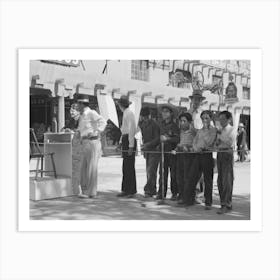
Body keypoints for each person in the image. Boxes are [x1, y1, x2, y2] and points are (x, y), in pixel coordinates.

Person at [184, 110, 217, 210]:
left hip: (206, 155)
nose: (204, 120)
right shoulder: (200, 130)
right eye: (203, 118)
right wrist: (195, 148)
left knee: (208, 180)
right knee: (192, 177)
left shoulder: (213, 130)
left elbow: (209, 141)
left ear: (211, 119)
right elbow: (195, 141)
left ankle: (208, 202)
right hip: (197, 154)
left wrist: (201, 145)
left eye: (207, 118)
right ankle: (189, 199)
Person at [77, 95, 107, 198]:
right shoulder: (82, 116)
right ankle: (85, 190)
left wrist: (96, 131)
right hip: (85, 142)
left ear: (82, 104)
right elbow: (83, 129)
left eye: (78, 104)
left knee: (91, 168)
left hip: (92, 142)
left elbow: (103, 122)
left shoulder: (91, 113)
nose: (77, 106)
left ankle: (91, 192)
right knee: (83, 168)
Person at [171, 112, 196, 204]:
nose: (182, 123)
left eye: (184, 121)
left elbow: (196, 144)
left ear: (189, 122)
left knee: (188, 177)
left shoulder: (194, 131)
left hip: (189, 156)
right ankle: (181, 196)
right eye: (180, 121)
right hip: (180, 154)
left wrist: (188, 148)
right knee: (179, 177)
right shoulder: (181, 132)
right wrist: (176, 149)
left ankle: (189, 198)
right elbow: (181, 143)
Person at [157, 104, 180, 200]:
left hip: (171, 152)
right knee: (162, 173)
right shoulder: (161, 124)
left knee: (173, 173)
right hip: (162, 151)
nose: (164, 113)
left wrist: (167, 138)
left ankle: (174, 193)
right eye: (163, 111)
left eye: (166, 111)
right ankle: (161, 193)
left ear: (171, 114)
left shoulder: (174, 125)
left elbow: (177, 138)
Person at [117, 95, 137, 198]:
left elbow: (131, 130)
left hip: (129, 139)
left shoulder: (129, 113)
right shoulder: (126, 113)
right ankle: (125, 189)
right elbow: (124, 130)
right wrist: (121, 141)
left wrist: (131, 145)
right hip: (125, 138)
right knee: (125, 166)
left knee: (129, 166)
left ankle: (131, 190)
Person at [216, 111, 235, 214]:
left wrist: (220, 136)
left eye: (223, 119)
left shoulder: (231, 129)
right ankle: (222, 203)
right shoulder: (220, 130)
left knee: (227, 180)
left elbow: (229, 142)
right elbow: (218, 143)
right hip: (220, 153)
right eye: (220, 119)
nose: (221, 121)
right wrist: (218, 140)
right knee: (220, 180)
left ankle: (228, 204)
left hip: (227, 154)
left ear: (229, 119)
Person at [139, 107, 160, 198]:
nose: (145, 119)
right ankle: (152, 189)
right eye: (143, 117)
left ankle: (149, 189)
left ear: (149, 116)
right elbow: (143, 137)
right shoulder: (142, 124)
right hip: (147, 150)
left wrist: (148, 144)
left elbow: (157, 139)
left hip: (155, 150)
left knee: (152, 171)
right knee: (148, 170)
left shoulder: (154, 124)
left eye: (146, 117)